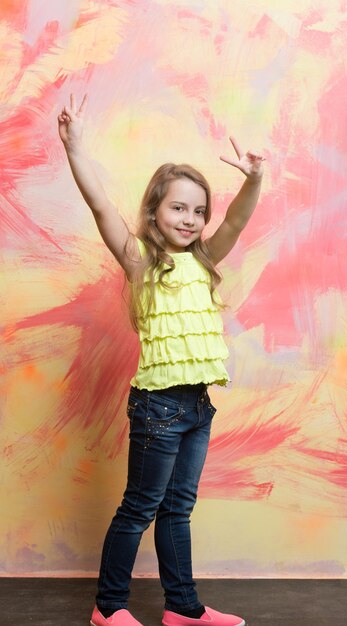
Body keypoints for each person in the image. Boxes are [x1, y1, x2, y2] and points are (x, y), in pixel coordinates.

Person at [58, 94, 264, 626]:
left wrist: (254, 181)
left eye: (199, 211)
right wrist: (75, 146)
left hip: (197, 407)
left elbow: (237, 224)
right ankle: (109, 607)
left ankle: (183, 610)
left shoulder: (204, 259)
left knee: (178, 510)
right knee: (139, 508)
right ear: (154, 211)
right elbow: (101, 205)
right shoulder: (140, 260)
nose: (191, 219)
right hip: (157, 409)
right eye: (178, 207)